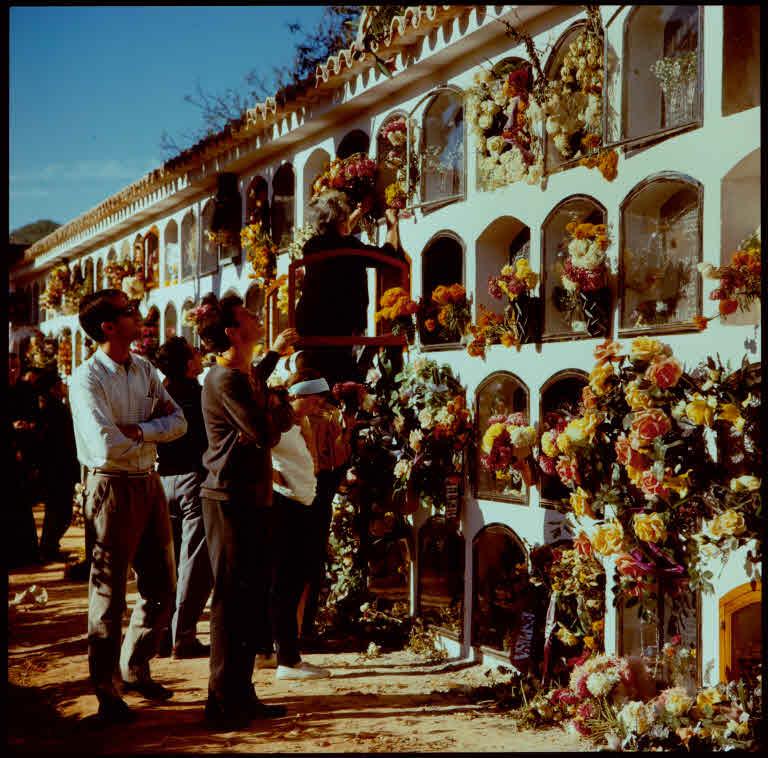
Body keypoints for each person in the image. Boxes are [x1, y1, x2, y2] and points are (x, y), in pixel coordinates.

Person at [69, 289, 188, 725]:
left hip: (146, 480)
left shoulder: (144, 370)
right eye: (129, 311)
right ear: (108, 326)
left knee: (161, 587)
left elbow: (179, 422)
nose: (139, 316)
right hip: (110, 487)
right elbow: (103, 443)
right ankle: (105, 688)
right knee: (108, 593)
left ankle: (134, 665)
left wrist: (138, 431)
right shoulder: (87, 378)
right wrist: (147, 432)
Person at [196, 293, 297, 728]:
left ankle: (241, 692)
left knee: (250, 599)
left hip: (251, 497)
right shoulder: (225, 380)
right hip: (228, 499)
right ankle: (221, 702)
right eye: (249, 317)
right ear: (233, 332)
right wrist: (279, 407)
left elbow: (265, 407)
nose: (258, 318)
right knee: (231, 601)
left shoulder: (243, 374)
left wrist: (274, 362)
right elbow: (264, 432)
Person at [294, 190, 406, 387]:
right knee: (340, 384)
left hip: (308, 327)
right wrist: (392, 225)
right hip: (338, 328)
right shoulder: (350, 247)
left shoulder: (312, 245)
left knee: (317, 382)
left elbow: (336, 239)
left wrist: (358, 212)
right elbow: (388, 258)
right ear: (340, 221)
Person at [268, 371, 333, 680]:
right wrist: (277, 482)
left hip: (301, 503)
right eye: (318, 399)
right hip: (285, 505)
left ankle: (281, 654)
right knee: (286, 583)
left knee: (294, 581)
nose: (322, 405)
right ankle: (287, 660)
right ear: (305, 397)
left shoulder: (300, 423)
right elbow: (257, 452)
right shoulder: (278, 424)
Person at [155, 337, 212, 659]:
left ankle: (163, 633)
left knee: (169, 563)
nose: (200, 355)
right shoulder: (196, 395)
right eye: (194, 352)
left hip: (164, 480)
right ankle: (183, 636)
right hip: (192, 478)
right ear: (189, 364)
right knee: (194, 564)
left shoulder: (162, 392)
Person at [296, 374, 352, 644]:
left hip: (303, 491)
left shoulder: (296, 418)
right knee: (310, 561)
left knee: (304, 562)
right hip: (315, 490)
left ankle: (299, 628)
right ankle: (302, 628)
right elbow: (339, 458)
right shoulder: (327, 419)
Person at [35, 368, 80, 562]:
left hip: (57, 467)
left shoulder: (52, 407)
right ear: (53, 388)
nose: (64, 385)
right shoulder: (54, 409)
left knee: (58, 510)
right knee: (60, 510)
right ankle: (49, 547)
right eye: (60, 383)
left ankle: (50, 545)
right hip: (58, 467)